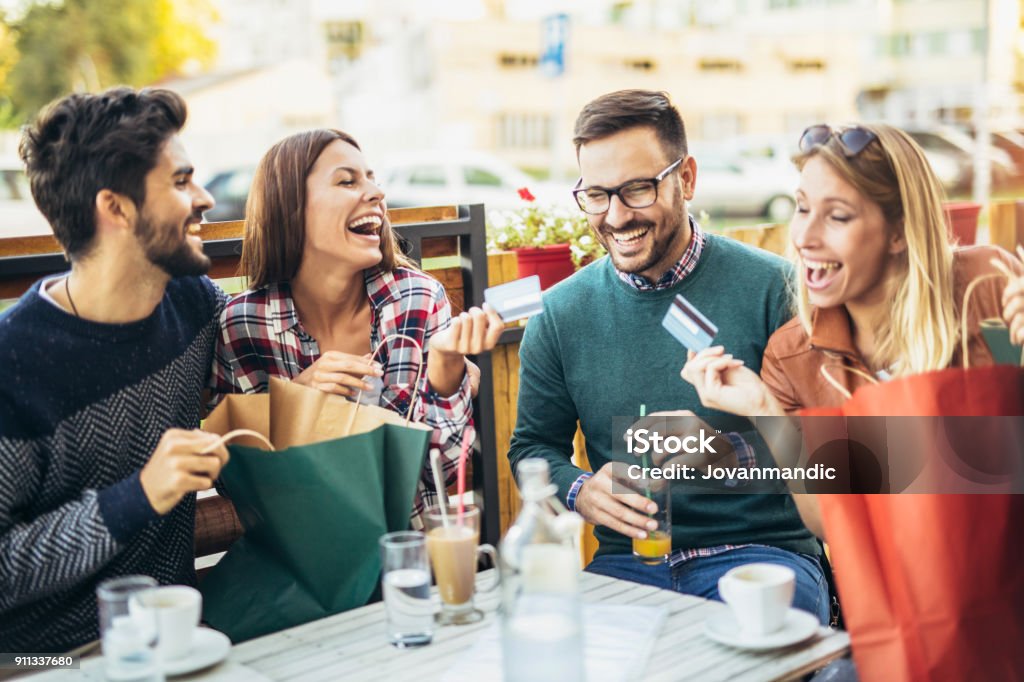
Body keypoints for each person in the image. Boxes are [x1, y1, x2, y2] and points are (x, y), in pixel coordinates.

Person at [507, 89, 828, 621]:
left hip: (762, 558)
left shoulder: (777, 289)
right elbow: (532, 448)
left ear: (687, 179)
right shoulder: (560, 313)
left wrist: (727, 454)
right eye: (596, 195)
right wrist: (579, 489)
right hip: (627, 567)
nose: (615, 216)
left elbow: (840, 461)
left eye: (636, 189)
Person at [681, 123, 1024, 534]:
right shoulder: (791, 357)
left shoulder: (989, 286)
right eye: (803, 208)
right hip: (906, 586)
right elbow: (831, 526)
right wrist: (765, 410)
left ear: (899, 232)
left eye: (838, 216)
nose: (805, 237)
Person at [0, 87, 230, 652]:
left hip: (176, 641)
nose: (204, 198)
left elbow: (265, 365)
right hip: (46, 661)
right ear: (117, 209)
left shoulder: (194, 303)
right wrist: (137, 497)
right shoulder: (14, 366)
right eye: (180, 182)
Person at [209, 129, 504, 529]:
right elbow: (236, 482)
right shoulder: (245, 326)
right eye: (347, 181)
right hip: (306, 566)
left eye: (372, 178)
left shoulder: (417, 299)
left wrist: (445, 367)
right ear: (291, 207)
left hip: (412, 557)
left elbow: (445, 467)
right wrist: (298, 401)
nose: (376, 193)